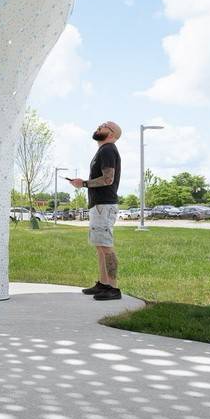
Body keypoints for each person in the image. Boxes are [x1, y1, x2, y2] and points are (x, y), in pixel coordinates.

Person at [77, 121, 122, 300]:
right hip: (99, 206)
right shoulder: (103, 150)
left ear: (112, 134)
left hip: (104, 206)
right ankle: (104, 284)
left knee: (106, 247)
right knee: (100, 247)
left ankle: (113, 288)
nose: (98, 127)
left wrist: (84, 183)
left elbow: (108, 179)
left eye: (103, 126)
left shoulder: (108, 150)